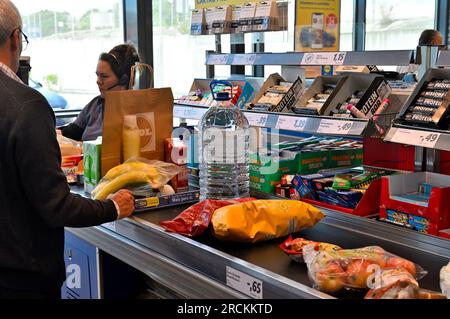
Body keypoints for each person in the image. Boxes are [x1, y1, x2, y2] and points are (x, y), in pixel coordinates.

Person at [0, 0, 135, 299]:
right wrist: (112, 207)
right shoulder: (26, 106)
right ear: (15, 37)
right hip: (22, 278)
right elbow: (56, 206)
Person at [60, 44, 140, 141]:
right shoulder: (94, 106)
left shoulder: (140, 109)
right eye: (97, 75)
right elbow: (70, 132)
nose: (98, 81)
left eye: (104, 76)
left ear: (124, 80)